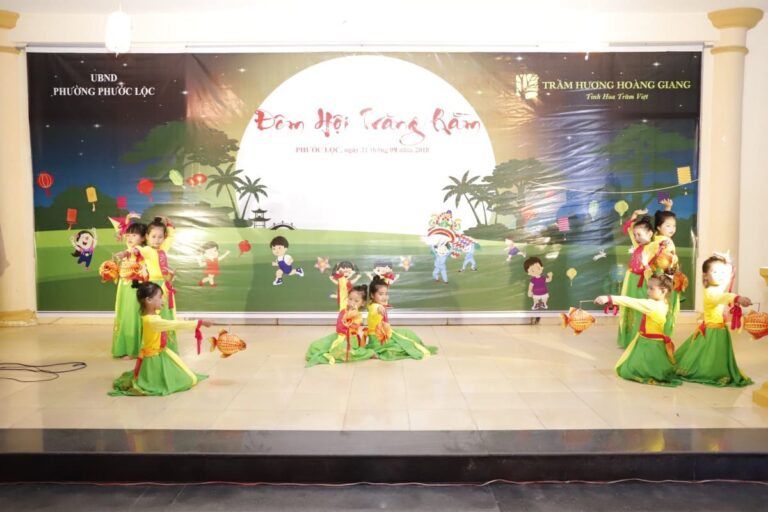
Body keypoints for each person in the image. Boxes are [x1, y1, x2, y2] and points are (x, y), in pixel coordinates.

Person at [109, 282, 213, 396]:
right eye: (160, 297)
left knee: (186, 374)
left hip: (160, 352)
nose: (163, 301)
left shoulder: (150, 315)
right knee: (189, 379)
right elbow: (175, 324)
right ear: (149, 300)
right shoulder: (153, 321)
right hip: (154, 359)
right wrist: (200, 322)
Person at [674, 255, 753, 387]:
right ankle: (710, 372)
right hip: (713, 330)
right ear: (705, 276)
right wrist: (737, 298)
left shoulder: (718, 287)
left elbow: (726, 283)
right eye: (715, 272)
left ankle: (713, 368)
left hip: (719, 328)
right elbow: (721, 297)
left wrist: (728, 265)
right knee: (710, 353)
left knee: (713, 353)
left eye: (722, 272)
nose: (721, 275)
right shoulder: (710, 292)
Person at [595, 274, 682, 387]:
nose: (647, 291)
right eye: (648, 287)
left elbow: (631, 301)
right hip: (653, 341)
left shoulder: (652, 305)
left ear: (663, 291)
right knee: (647, 365)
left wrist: (609, 298)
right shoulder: (664, 302)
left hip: (650, 343)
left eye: (651, 288)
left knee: (629, 370)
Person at [366, 277, 438, 361]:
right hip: (378, 339)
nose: (384, 297)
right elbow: (376, 309)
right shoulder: (375, 306)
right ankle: (375, 351)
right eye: (381, 294)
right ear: (372, 295)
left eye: (386, 294)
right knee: (400, 346)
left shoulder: (374, 304)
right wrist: (379, 308)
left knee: (407, 333)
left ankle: (420, 345)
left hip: (385, 334)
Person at [305, 285, 375, 367]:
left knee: (343, 352)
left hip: (349, 339)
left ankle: (369, 353)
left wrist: (350, 313)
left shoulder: (357, 315)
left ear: (362, 303)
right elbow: (340, 325)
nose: (352, 303)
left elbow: (352, 326)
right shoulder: (344, 310)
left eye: (356, 301)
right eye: (350, 299)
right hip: (339, 336)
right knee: (314, 347)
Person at [616, 211, 657, 348]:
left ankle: (640, 338)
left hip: (643, 281)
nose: (636, 238)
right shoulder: (638, 245)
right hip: (631, 280)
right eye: (635, 235)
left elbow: (663, 241)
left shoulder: (653, 246)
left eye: (639, 234)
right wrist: (634, 216)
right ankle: (629, 338)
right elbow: (629, 228)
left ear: (650, 234)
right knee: (630, 307)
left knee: (641, 308)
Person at [138, 217, 179, 352]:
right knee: (155, 315)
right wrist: (126, 253)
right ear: (147, 237)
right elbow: (137, 250)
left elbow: (171, 236)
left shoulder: (163, 248)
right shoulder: (147, 250)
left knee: (166, 314)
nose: (157, 240)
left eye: (160, 237)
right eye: (153, 236)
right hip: (153, 287)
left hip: (165, 286)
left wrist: (168, 222)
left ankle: (168, 347)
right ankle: (153, 346)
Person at [111, 221, 147, 359]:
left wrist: (125, 253)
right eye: (128, 235)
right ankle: (125, 348)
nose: (130, 238)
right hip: (124, 287)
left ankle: (134, 350)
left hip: (135, 288)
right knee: (124, 316)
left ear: (143, 238)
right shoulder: (128, 252)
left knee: (133, 317)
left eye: (134, 235)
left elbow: (134, 253)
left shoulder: (141, 251)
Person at [650, 199, 687, 337]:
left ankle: (660, 332)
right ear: (659, 227)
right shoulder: (664, 241)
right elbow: (664, 262)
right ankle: (664, 333)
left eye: (674, 226)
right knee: (667, 305)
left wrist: (668, 208)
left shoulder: (658, 238)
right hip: (665, 278)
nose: (672, 229)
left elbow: (663, 220)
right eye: (668, 226)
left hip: (662, 276)